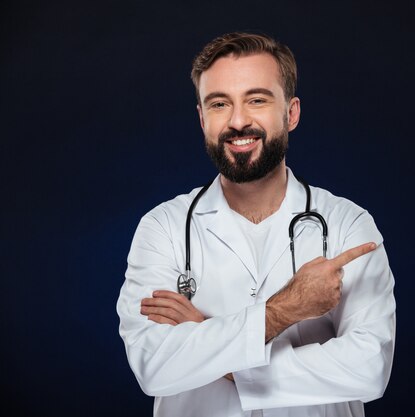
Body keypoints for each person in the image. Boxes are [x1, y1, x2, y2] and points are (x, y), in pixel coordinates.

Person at [116, 32, 396, 417]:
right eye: (219, 104)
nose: (238, 121)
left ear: (291, 113)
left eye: (257, 99)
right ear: (202, 118)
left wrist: (213, 348)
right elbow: (154, 366)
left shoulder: (347, 223)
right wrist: (284, 309)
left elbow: (369, 368)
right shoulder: (163, 228)